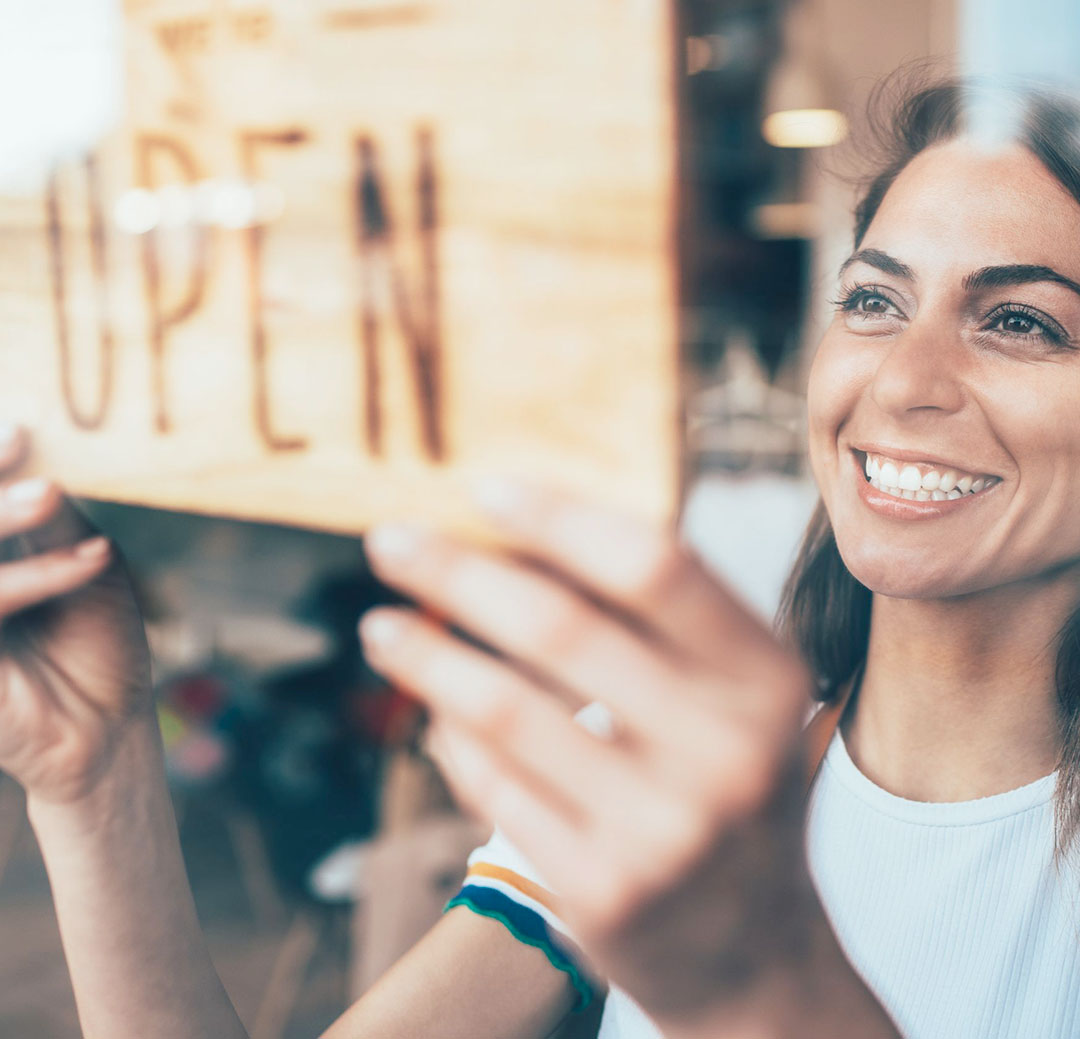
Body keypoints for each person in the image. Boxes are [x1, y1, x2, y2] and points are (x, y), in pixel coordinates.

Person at [4, 72, 1080, 1038]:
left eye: (1023, 322)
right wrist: (97, 777)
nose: (900, 381)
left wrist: (762, 979)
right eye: (873, 301)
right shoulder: (665, 776)